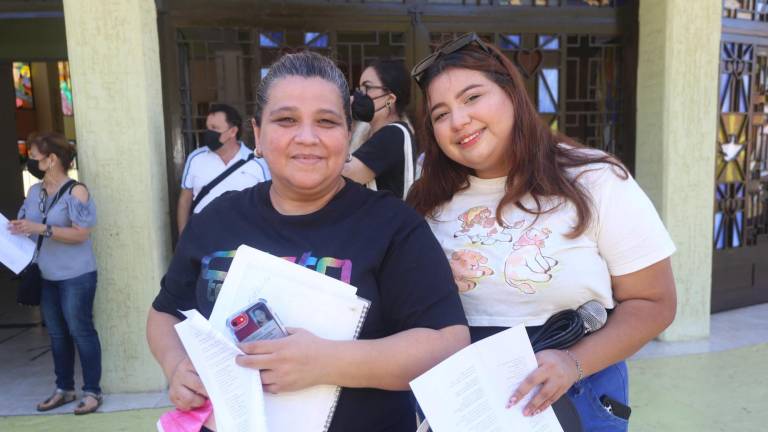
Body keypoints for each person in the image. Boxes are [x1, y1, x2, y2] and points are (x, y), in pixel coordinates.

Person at [147, 51, 470, 432]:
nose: (307, 137)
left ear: (348, 135)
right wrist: (175, 365)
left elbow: (448, 343)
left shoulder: (393, 226)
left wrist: (327, 362)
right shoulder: (217, 218)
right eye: (286, 120)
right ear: (258, 134)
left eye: (326, 121)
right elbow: (165, 313)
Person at [407, 33, 677, 432]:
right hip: (467, 405)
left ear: (512, 94)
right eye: (440, 113)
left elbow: (654, 302)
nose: (459, 120)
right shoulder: (428, 197)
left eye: (472, 97)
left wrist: (574, 363)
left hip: (576, 396)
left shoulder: (594, 179)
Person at [9, 132, 103, 415]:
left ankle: (92, 392)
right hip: (46, 275)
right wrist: (18, 228)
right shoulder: (34, 191)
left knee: (81, 331)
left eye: (35, 156)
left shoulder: (77, 191)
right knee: (58, 335)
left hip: (77, 275)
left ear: (52, 159)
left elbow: (81, 234)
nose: (30, 161)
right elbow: (28, 222)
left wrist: (42, 229)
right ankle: (64, 388)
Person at [177, 103, 270, 233]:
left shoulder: (258, 162)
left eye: (214, 128)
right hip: (202, 237)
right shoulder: (195, 158)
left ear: (232, 131)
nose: (209, 133)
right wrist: (183, 237)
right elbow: (185, 201)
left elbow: (268, 202)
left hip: (245, 237)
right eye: (208, 127)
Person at [343, 59, 416, 199]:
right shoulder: (373, 134)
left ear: (390, 98)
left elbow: (345, 175)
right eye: (360, 89)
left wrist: (338, 118)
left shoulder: (393, 134)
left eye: (367, 88)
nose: (358, 96)